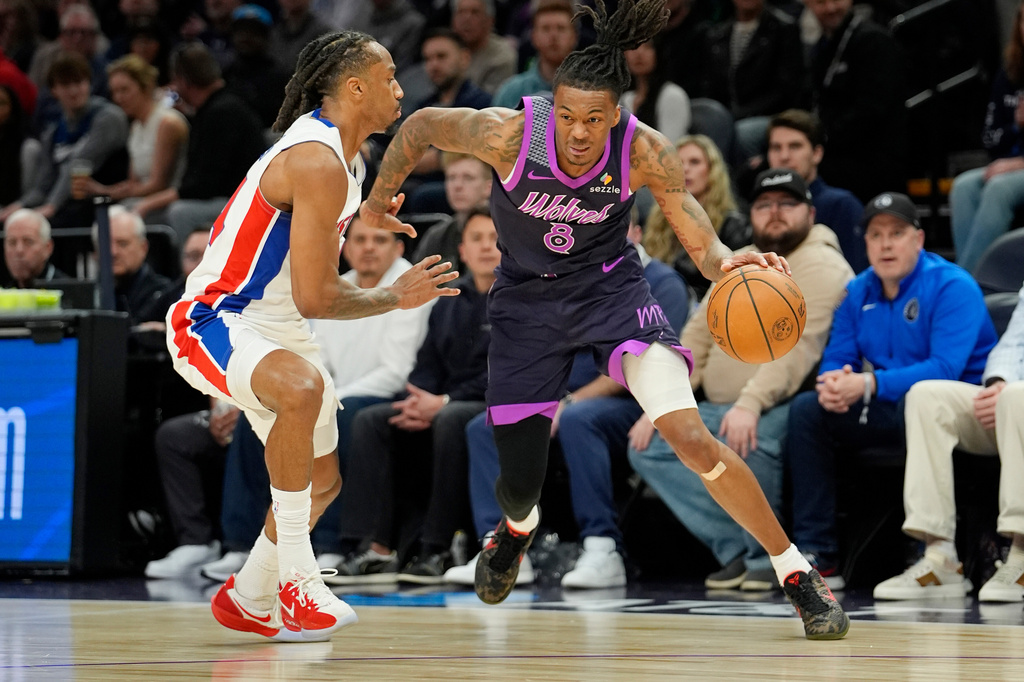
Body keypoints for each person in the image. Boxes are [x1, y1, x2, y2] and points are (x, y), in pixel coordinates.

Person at [362, 0, 849, 640]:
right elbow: (422, 124)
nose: (578, 132)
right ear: (551, 105)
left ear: (617, 114)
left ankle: (796, 572)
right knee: (519, 487)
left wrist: (726, 259)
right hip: (527, 304)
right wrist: (378, 198)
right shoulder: (509, 135)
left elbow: (696, 231)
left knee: (690, 436)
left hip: (611, 294)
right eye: (567, 115)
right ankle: (516, 530)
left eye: (594, 118)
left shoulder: (645, 150)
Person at [165, 30, 458, 643]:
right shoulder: (317, 159)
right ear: (355, 87)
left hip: (277, 325)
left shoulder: (347, 160)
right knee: (301, 389)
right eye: (389, 78)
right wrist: (395, 296)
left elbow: (314, 245)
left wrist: (367, 212)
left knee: (322, 481)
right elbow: (317, 298)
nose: (400, 89)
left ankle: (249, 595)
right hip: (217, 316)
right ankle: (298, 581)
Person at [629, 169, 854, 592]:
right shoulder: (741, 259)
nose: (774, 213)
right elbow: (695, 337)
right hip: (718, 404)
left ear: (810, 213)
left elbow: (798, 351)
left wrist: (749, 404)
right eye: (764, 205)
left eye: (787, 204)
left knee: (748, 439)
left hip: (783, 404)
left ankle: (768, 558)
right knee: (649, 445)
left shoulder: (825, 265)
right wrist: (661, 401)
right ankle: (739, 547)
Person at [453, 211, 690, 590]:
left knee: (582, 420)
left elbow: (647, 364)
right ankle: (504, 551)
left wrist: (571, 402)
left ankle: (603, 547)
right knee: (486, 425)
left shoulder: (663, 283)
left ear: (635, 232)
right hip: (564, 397)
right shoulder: (575, 277)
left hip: (636, 406)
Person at [199, 215, 433, 582]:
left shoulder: (409, 287)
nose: (369, 248)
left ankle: (329, 544)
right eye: (360, 239)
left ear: (399, 247)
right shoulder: (335, 288)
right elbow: (314, 355)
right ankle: (241, 544)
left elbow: (396, 371)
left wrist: (326, 399)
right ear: (346, 248)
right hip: (340, 392)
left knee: (336, 417)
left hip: (389, 396)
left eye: (380, 240)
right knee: (258, 413)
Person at [786, 192, 998, 587]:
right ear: (865, 243)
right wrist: (832, 383)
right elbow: (838, 354)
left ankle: (927, 549)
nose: (885, 245)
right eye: (876, 235)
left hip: (957, 412)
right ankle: (818, 554)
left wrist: (869, 383)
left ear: (918, 240)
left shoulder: (953, 285)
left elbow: (944, 369)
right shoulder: (857, 290)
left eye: (896, 233)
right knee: (807, 411)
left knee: (917, 402)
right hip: (888, 402)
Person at [332, 207, 496, 584]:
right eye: (477, 239)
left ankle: (436, 548)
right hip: (442, 401)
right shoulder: (449, 297)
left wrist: (443, 403)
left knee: (453, 420)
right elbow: (427, 361)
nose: (486, 247)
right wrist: (418, 399)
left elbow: (507, 373)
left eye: (494, 239)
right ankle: (372, 548)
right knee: (373, 419)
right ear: (463, 250)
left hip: (489, 402)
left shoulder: (522, 299)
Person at [873, 283, 1024, 602]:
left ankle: (1021, 556)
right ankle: (940, 558)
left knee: (1017, 397)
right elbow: (1012, 345)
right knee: (927, 396)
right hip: (1012, 403)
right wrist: (999, 382)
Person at [143, 227, 240, 580]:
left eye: (206, 254)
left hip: (261, 406)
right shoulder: (186, 301)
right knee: (174, 435)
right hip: (224, 405)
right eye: (191, 256)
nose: (199, 263)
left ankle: (243, 546)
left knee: (246, 432)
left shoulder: (243, 294)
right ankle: (196, 541)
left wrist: (239, 411)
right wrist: (220, 410)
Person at [2, 51, 129, 229]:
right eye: (65, 84)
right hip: (66, 205)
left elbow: (80, 165)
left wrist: (51, 206)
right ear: (54, 90)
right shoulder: (53, 132)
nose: (73, 91)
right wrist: (19, 207)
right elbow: (43, 185)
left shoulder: (108, 117)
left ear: (89, 83)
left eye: (79, 82)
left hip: (99, 204)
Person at [160, 42, 265, 244]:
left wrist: (148, 204)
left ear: (184, 80)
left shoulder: (222, 113)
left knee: (179, 213)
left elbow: (203, 185)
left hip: (241, 200)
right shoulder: (218, 106)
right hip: (224, 196)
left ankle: (190, 263)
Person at [803, 0, 906, 203]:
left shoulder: (874, 41)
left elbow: (870, 111)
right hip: (833, 150)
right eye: (821, 2)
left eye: (836, 0)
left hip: (868, 159)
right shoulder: (824, 45)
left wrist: (820, 139)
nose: (830, 8)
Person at [950, 0, 1024, 273]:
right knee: (963, 187)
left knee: (998, 189)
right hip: (1009, 165)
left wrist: (1018, 163)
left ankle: (967, 281)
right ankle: (972, 279)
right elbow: (990, 139)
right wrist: (1016, 125)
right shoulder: (1010, 72)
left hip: (1014, 170)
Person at [71, 55, 188, 225]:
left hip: (166, 203)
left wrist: (106, 192)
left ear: (145, 87)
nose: (118, 98)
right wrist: (100, 190)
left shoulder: (167, 123)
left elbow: (157, 184)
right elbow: (134, 183)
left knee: (115, 217)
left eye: (124, 90)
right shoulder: (136, 127)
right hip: (140, 200)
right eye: (114, 92)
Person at [690, 0, 804, 163]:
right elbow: (709, 86)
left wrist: (738, 114)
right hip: (728, 115)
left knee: (743, 133)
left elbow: (786, 89)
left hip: (771, 115)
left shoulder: (784, 29)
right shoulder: (716, 34)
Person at [642, 134, 749, 300]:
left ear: (712, 171)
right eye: (678, 162)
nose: (684, 169)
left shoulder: (732, 225)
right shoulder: (657, 221)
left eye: (694, 162)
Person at [765, 109, 865, 272]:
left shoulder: (841, 205)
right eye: (776, 148)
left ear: (817, 153)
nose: (784, 156)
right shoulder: (759, 208)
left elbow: (856, 274)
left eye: (795, 146)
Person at [411, 151, 493, 273]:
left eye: (468, 178)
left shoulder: (505, 232)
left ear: (489, 187)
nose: (457, 186)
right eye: (451, 178)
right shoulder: (437, 236)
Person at [492, 0, 578, 109]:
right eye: (546, 28)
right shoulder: (511, 92)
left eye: (561, 28)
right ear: (533, 36)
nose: (554, 35)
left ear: (574, 36)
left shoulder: (591, 91)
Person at [101, 204, 174, 325]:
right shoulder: (87, 296)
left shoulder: (164, 296)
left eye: (123, 244)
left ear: (143, 247)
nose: (113, 252)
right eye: (105, 245)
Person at [620, 38, 690, 143]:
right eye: (632, 47)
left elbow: (669, 148)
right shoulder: (625, 99)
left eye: (647, 47)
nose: (639, 53)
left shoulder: (672, 96)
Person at [451, 0, 517, 95]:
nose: (466, 19)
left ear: (490, 21)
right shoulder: (444, 52)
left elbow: (491, 101)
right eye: (461, 12)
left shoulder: (501, 57)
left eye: (475, 12)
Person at [0, 83, 41, 213]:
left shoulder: (28, 147)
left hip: (20, 211)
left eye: (2, 103)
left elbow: (35, 192)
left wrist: (17, 207)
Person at [2, 207, 67, 288]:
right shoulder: (5, 292)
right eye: (12, 242)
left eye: (28, 242)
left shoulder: (69, 292)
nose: (19, 250)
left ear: (48, 248)